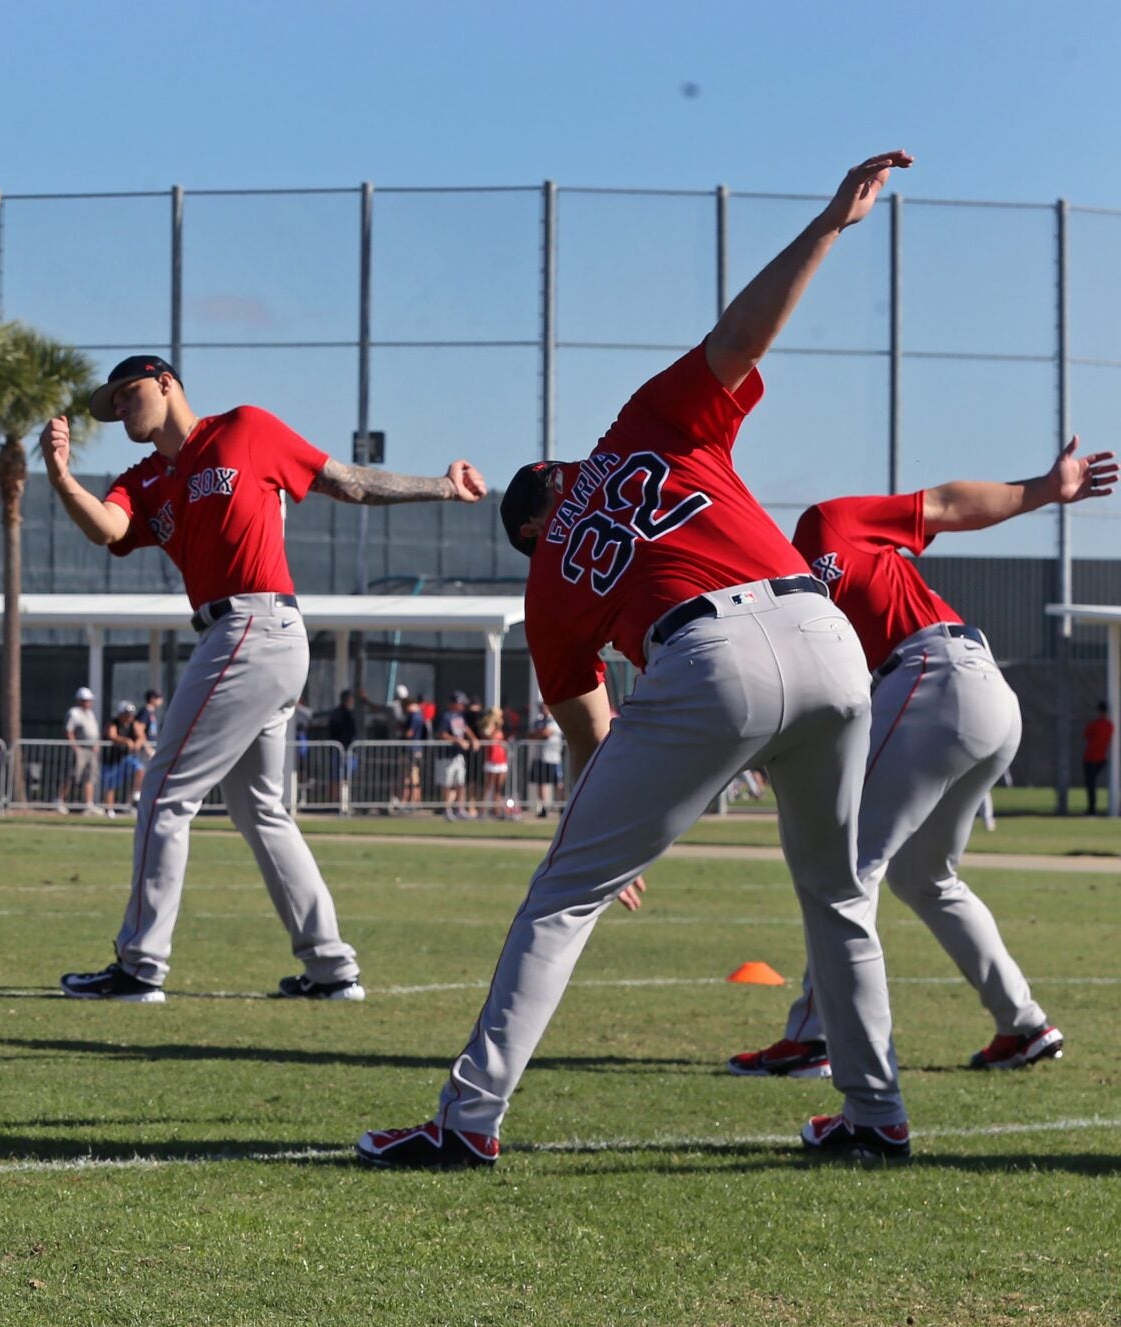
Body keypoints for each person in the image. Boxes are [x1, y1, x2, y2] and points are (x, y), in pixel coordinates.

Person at [358, 152, 917, 1170]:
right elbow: (743, 333)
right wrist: (830, 223)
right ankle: (874, 1112)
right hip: (826, 636)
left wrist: (610, 841)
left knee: (561, 897)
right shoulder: (640, 426)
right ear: (571, 466)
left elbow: (587, 727)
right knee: (836, 892)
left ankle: (466, 1119)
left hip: (706, 656)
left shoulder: (545, 576)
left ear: (530, 525)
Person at [40, 352, 485, 1003]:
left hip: (257, 622)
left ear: (167, 383)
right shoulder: (143, 479)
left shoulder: (244, 428)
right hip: (241, 634)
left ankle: (140, 966)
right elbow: (107, 526)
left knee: (164, 789)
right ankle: (333, 970)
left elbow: (348, 482)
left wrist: (443, 486)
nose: (120, 410)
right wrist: (59, 476)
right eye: (111, 406)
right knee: (260, 809)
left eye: (127, 394)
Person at [727, 439, 1112, 1080]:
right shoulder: (766, 601)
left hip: (937, 671)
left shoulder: (822, 526)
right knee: (922, 876)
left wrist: (1045, 490)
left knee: (847, 865)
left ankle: (815, 1037)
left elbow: (945, 504)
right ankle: (1023, 1026)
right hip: (958, 693)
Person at [62, 687, 101, 813]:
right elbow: (69, 731)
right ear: (79, 700)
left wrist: (95, 744)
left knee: (89, 777)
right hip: (80, 749)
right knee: (72, 775)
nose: (89, 703)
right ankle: (60, 800)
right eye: (86, 700)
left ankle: (88, 803)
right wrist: (75, 746)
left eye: (89, 700)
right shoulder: (74, 713)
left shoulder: (90, 713)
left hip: (91, 750)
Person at [436, 698, 473, 820]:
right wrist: (458, 741)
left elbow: (465, 728)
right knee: (447, 784)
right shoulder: (446, 716)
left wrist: (473, 738)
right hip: (447, 756)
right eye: (459, 703)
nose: (462, 705)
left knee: (460, 783)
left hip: (458, 755)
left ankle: (460, 809)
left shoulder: (460, 716)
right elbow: (442, 734)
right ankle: (447, 809)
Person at [524, 708, 563, 816]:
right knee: (541, 782)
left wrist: (538, 735)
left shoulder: (555, 720)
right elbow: (530, 735)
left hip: (553, 757)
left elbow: (547, 733)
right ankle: (544, 807)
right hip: (540, 757)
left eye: (544, 707)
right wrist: (540, 734)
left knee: (558, 783)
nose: (542, 709)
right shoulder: (538, 721)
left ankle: (561, 806)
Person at [477, 711, 511, 818]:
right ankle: (482, 810)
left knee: (497, 788)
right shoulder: (489, 727)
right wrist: (495, 728)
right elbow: (488, 737)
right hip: (491, 760)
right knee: (488, 787)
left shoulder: (500, 729)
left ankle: (496, 810)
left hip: (501, 760)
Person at [1085, 702, 1113, 816]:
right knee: (1091, 784)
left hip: (1092, 758)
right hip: (1099, 758)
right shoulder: (1109, 725)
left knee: (1091, 784)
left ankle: (1092, 809)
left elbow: (1087, 735)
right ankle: (1092, 809)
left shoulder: (1097, 724)